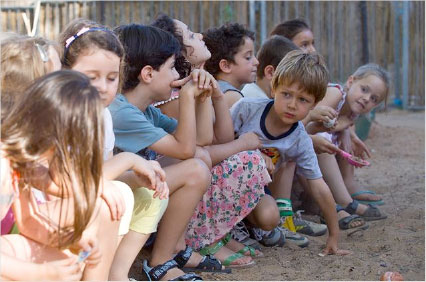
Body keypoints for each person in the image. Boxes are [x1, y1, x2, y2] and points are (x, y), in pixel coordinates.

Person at [152, 14, 280, 267]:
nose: (199, 36)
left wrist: (217, 97)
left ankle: (217, 235)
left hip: (193, 165)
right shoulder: (174, 96)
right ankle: (201, 239)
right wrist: (243, 143)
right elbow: (201, 144)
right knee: (243, 161)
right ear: (179, 53)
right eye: (190, 35)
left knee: (244, 159)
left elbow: (220, 136)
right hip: (170, 179)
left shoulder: (197, 81)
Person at [59, 18, 171, 281]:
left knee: (149, 194)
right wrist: (131, 160)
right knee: (117, 193)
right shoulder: (64, 116)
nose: (102, 87)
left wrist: (139, 177)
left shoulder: (104, 116)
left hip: (91, 193)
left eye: (111, 78)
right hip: (62, 202)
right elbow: (78, 182)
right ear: (65, 72)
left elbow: (105, 171)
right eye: (91, 77)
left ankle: (115, 273)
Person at [112, 24, 214, 281]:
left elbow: (202, 140)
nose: (177, 74)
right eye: (171, 67)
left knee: (200, 160)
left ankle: (168, 253)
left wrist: (203, 98)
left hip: (127, 189)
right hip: (112, 191)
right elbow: (185, 149)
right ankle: (160, 261)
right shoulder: (123, 112)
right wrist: (188, 98)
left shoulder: (144, 109)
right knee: (196, 168)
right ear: (148, 73)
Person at [230, 50, 351, 256]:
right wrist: (253, 155)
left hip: (253, 189)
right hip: (222, 179)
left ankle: (246, 224)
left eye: (303, 100)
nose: (292, 105)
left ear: (315, 104)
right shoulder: (246, 109)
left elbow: (319, 187)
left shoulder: (300, 139)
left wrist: (333, 236)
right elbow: (218, 141)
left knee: (270, 218)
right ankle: (228, 230)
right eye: (286, 94)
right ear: (274, 88)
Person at [0, 70, 110, 280]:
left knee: (63, 261)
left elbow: (27, 222)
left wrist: (69, 240)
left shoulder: (20, 163)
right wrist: (40, 273)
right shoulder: (2, 166)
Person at [304, 63, 389, 226]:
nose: (366, 99)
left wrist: (349, 133)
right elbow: (313, 124)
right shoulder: (335, 93)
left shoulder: (353, 111)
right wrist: (342, 127)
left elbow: (342, 124)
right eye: (364, 89)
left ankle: (347, 187)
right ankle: (344, 201)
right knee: (326, 141)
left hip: (311, 155)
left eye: (373, 99)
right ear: (350, 82)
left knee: (345, 142)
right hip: (302, 141)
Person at [203, 22, 259, 109]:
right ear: (226, 66)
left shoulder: (214, 88)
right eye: (248, 57)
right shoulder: (233, 97)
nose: (256, 62)